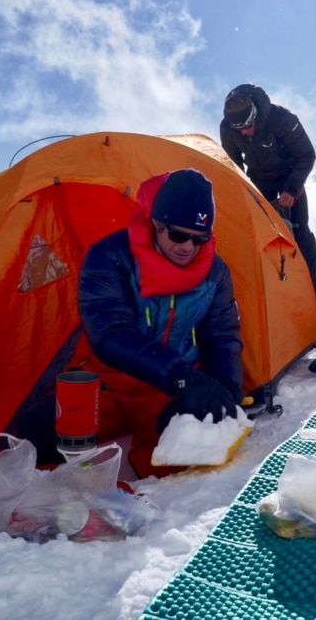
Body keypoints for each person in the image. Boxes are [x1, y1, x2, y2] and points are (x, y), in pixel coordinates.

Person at [77, 168, 244, 478]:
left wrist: (225, 386)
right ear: (156, 222)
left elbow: (222, 334)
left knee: (192, 459)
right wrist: (180, 376)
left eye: (200, 239)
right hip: (110, 385)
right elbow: (110, 333)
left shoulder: (215, 272)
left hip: (166, 393)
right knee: (43, 439)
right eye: (178, 235)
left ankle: (141, 487)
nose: (188, 247)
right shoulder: (110, 256)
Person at [220, 83, 316, 311]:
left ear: (255, 115)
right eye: (237, 128)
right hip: (260, 180)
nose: (243, 133)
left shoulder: (281, 119)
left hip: (290, 178)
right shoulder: (229, 127)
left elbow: (307, 155)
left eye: (246, 126)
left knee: (300, 233)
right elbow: (233, 163)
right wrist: (242, 191)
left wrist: (292, 189)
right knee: (262, 237)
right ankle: (272, 292)